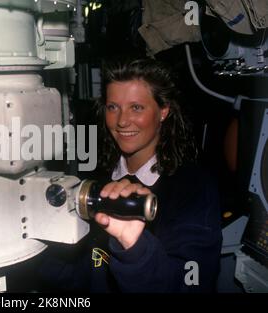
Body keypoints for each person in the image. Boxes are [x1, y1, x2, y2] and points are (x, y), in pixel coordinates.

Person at [37, 57, 222, 293]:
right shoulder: (97, 179)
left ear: (163, 111)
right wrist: (38, 241)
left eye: (136, 107)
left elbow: (193, 284)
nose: (122, 121)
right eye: (113, 107)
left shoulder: (193, 188)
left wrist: (134, 245)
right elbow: (83, 273)